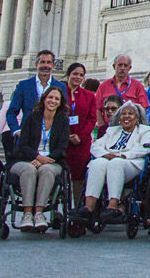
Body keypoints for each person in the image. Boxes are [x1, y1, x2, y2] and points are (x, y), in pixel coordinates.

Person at [77, 101, 150, 224]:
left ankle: (112, 205)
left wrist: (124, 155)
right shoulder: (112, 131)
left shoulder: (145, 130)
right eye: (123, 114)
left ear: (137, 117)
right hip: (108, 160)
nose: (126, 116)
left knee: (116, 162)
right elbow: (95, 146)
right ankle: (89, 207)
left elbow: (147, 147)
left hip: (130, 163)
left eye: (130, 114)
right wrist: (104, 155)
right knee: (97, 163)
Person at [11, 86, 71, 231]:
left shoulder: (63, 120)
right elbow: (23, 145)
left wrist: (45, 159)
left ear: (60, 102)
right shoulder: (32, 118)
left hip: (52, 161)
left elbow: (62, 147)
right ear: (44, 99)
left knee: (46, 170)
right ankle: (27, 214)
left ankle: (39, 213)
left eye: (56, 99)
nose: (53, 101)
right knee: (29, 169)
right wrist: (36, 157)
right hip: (26, 159)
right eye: (50, 97)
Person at [5, 49, 65, 134]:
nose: (45, 65)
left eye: (49, 62)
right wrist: (16, 130)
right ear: (36, 64)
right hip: (27, 135)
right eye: (42, 62)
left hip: (51, 135)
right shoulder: (24, 85)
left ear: (53, 65)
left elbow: (64, 112)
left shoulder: (61, 86)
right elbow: (11, 112)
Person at [63, 62, 97, 200]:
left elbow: (92, 118)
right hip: (63, 140)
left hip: (80, 142)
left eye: (81, 75)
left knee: (78, 176)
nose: (78, 77)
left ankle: (77, 206)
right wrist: (66, 135)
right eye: (75, 74)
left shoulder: (89, 96)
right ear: (68, 75)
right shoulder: (59, 92)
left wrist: (80, 136)